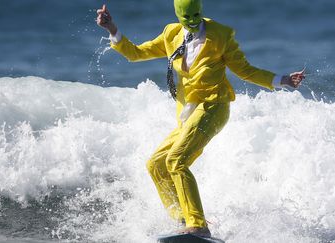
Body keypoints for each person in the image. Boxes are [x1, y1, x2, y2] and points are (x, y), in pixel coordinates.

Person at [96, 0, 304, 237]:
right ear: (178, 15)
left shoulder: (220, 35)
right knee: (156, 164)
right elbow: (136, 53)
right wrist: (113, 29)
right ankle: (182, 219)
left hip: (213, 107)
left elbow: (245, 70)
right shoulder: (171, 34)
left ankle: (198, 226)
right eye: (187, 16)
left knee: (176, 160)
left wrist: (282, 80)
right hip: (188, 114)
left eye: (196, 14)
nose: (193, 20)